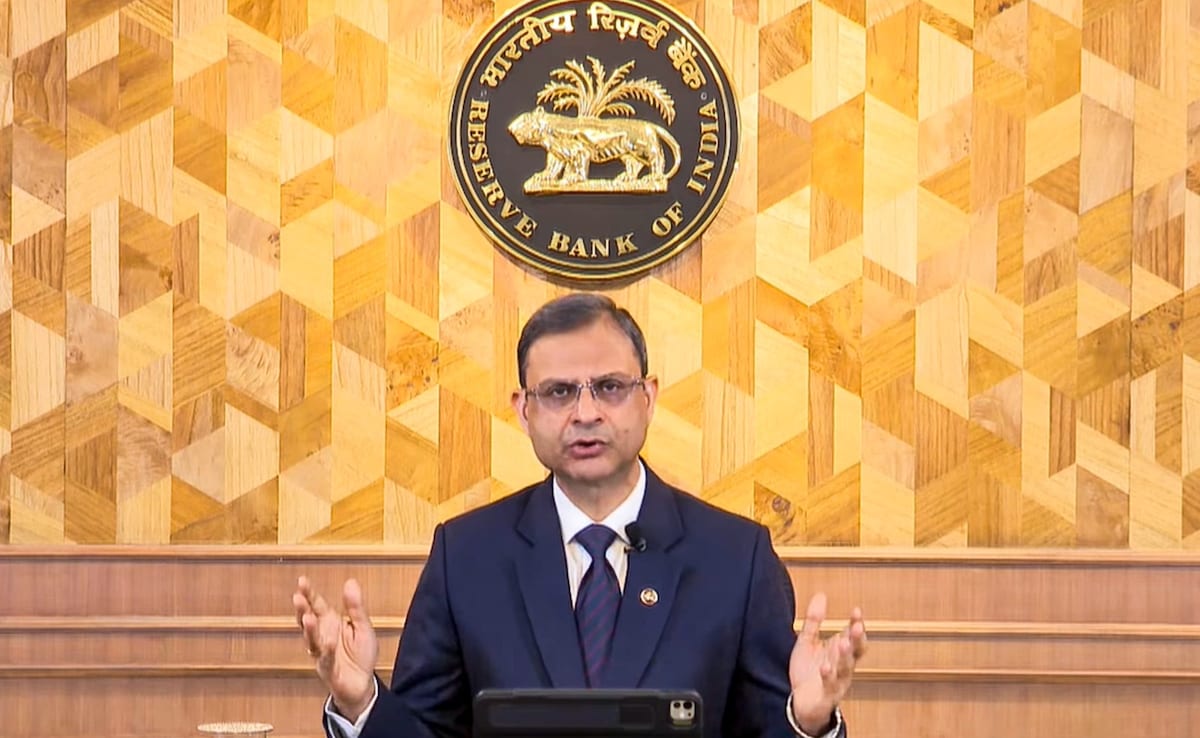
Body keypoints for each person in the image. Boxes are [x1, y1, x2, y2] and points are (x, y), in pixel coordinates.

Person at [293, 292, 868, 738]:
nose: (586, 412)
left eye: (610, 387)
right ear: (523, 410)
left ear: (649, 397)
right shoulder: (466, 556)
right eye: (559, 392)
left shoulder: (734, 558)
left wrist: (807, 722)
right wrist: (361, 701)